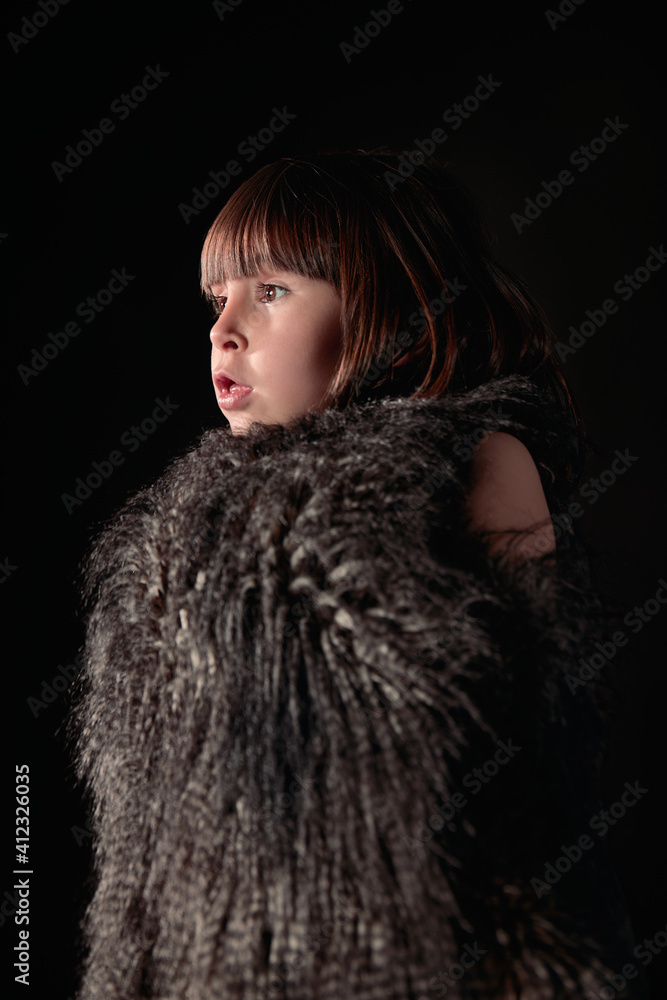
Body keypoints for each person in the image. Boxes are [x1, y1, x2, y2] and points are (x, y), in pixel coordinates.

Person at [70, 152, 645, 999]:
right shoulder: (174, 536)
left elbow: (527, 764)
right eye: (216, 298)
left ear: (392, 305)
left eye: (271, 290)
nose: (224, 328)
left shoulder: (465, 460)